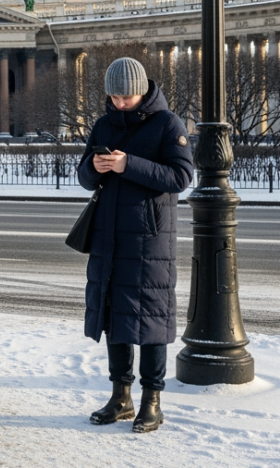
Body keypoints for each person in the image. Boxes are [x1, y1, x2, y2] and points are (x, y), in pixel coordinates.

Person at [77, 57, 194, 433]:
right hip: (108, 237)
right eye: (113, 95)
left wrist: (129, 165)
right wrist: (95, 167)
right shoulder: (103, 123)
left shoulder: (167, 124)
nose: (119, 102)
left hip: (149, 240)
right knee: (115, 319)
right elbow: (83, 177)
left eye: (126, 95)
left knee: (151, 323)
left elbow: (180, 176)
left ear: (142, 90)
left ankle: (152, 402)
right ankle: (120, 398)